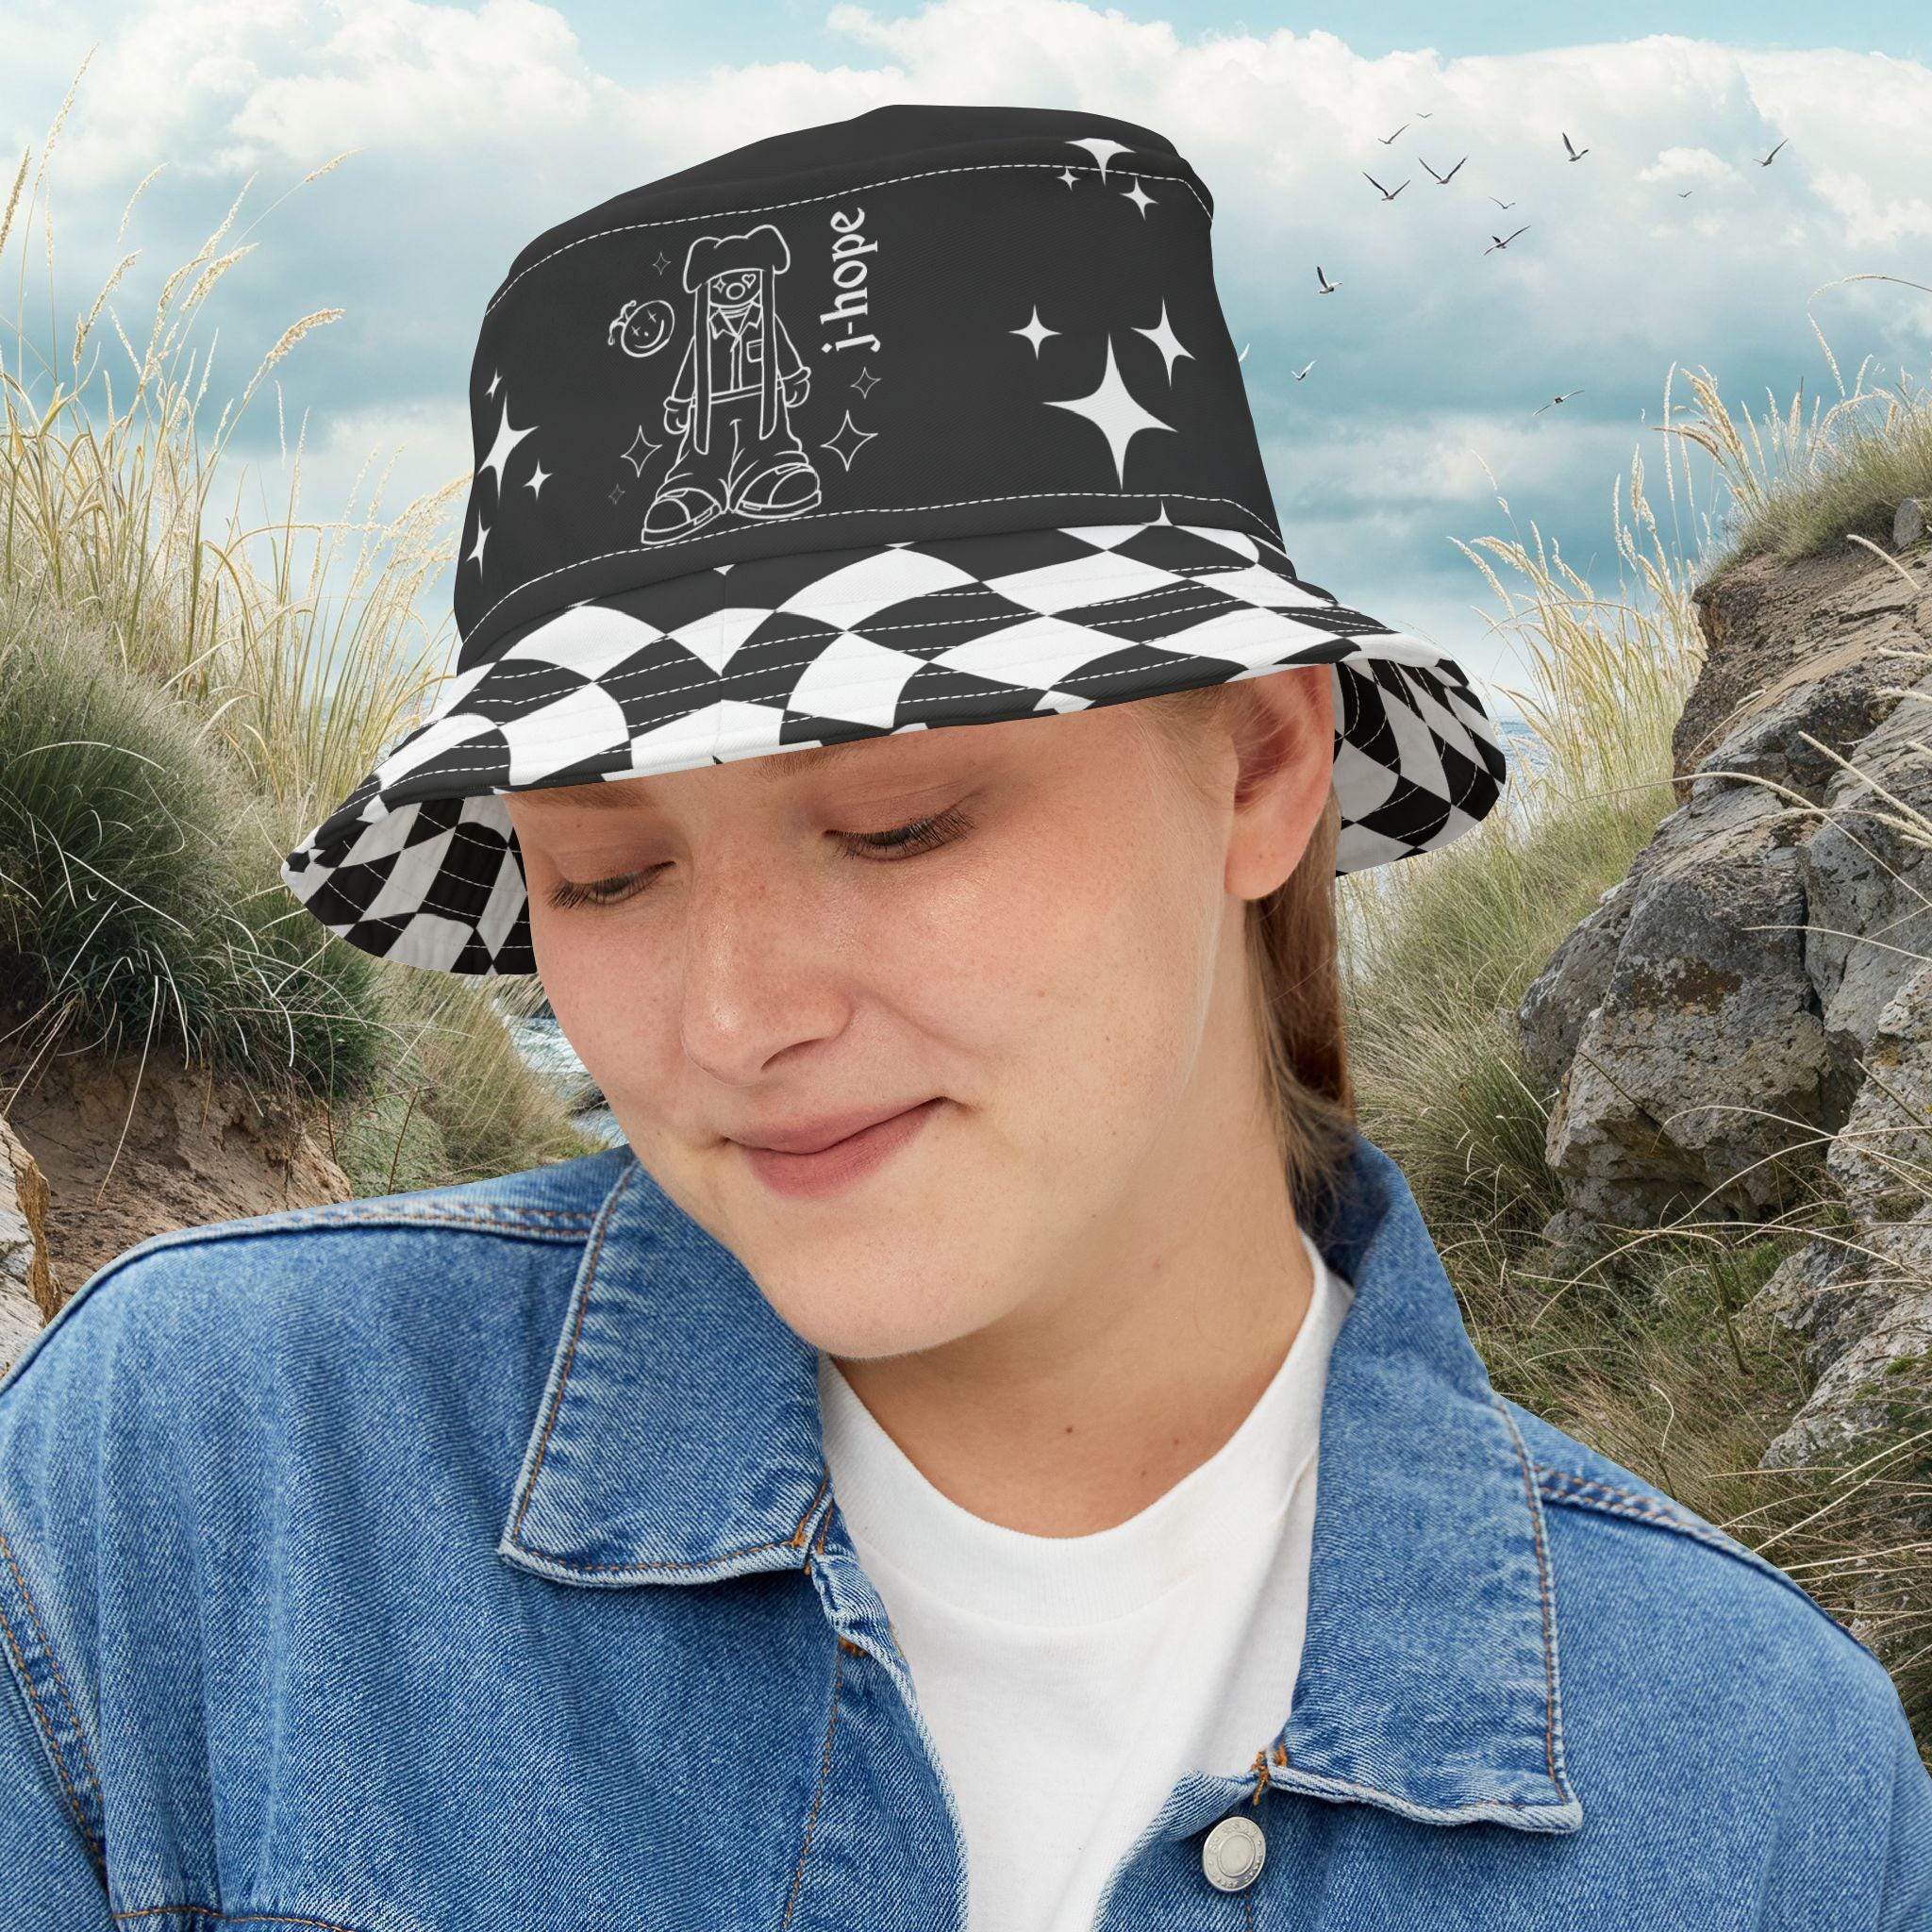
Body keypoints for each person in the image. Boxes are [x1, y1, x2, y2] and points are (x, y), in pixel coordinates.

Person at [2, 102, 1926, 1932]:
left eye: (898, 825)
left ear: (1260, 765)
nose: (735, 1020)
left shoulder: (1759, 1786)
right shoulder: (195, 1483)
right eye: (603, 875)